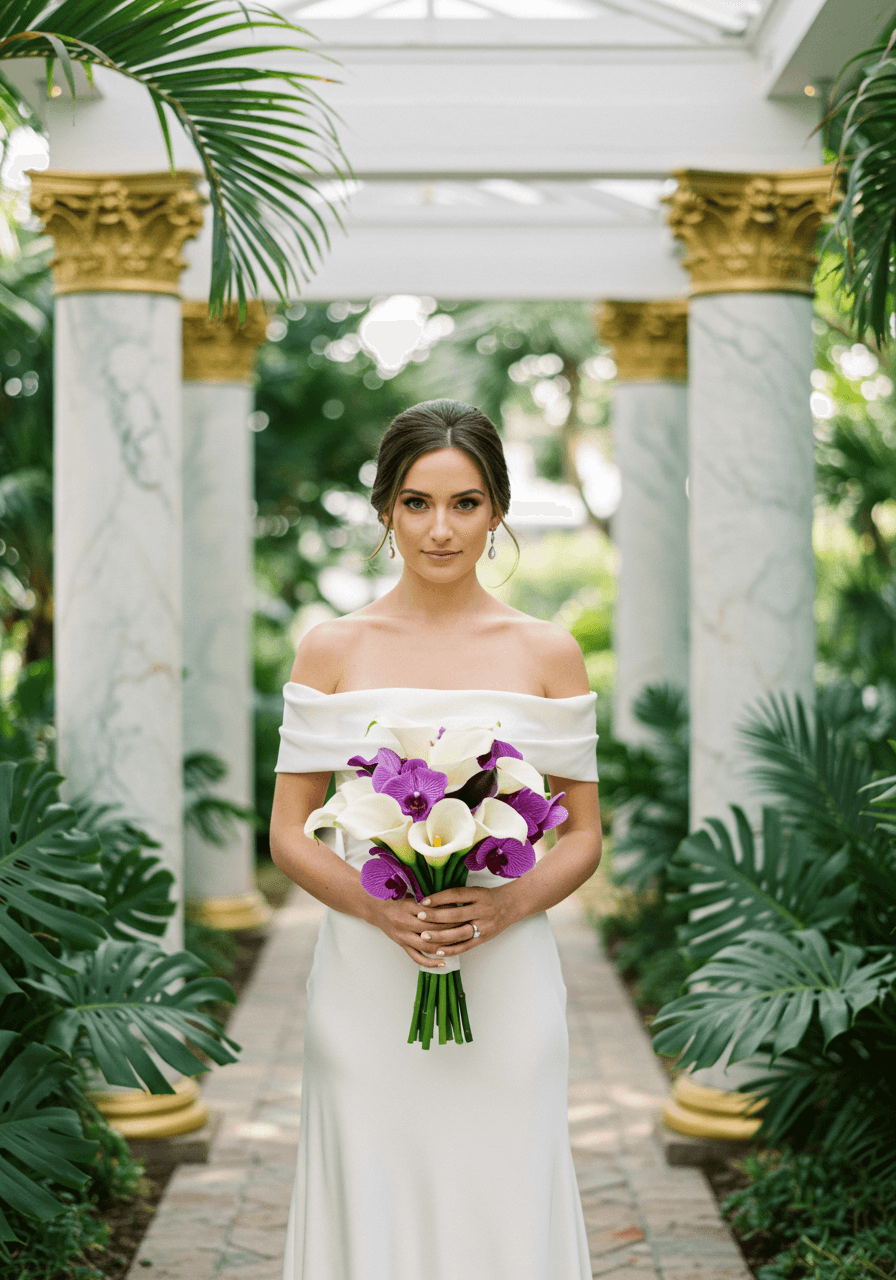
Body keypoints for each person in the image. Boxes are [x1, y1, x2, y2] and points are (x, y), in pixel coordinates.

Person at [270, 398, 602, 1280]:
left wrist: (503, 909)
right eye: (417, 502)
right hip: (366, 978)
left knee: (503, 1184)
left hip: (508, 977)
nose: (441, 528)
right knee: (373, 1186)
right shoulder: (331, 649)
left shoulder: (547, 654)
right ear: (385, 510)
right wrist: (382, 915)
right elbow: (290, 834)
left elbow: (583, 837)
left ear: (497, 509)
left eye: (465, 503)